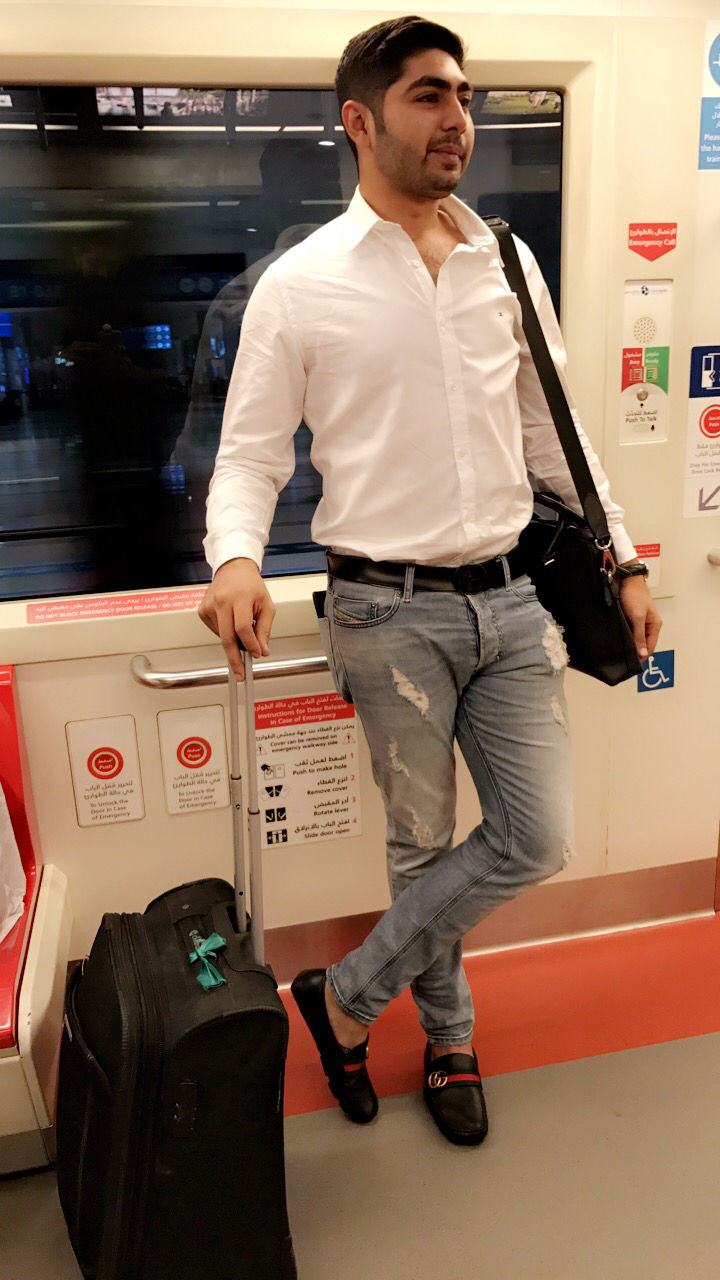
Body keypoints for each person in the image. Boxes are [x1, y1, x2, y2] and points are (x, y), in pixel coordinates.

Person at [199, 15, 663, 1147]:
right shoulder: (300, 285)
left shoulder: (506, 262)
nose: (459, 117)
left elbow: (554, 436)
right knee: (421, 846)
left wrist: (625, 555)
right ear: (359, 121)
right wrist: (237, 557)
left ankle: (345, 995)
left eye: (464, 94)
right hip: (383, 608)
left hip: (513, 599)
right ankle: (450, 1037)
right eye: (428, 95)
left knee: (536, 836)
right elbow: (251, 453)